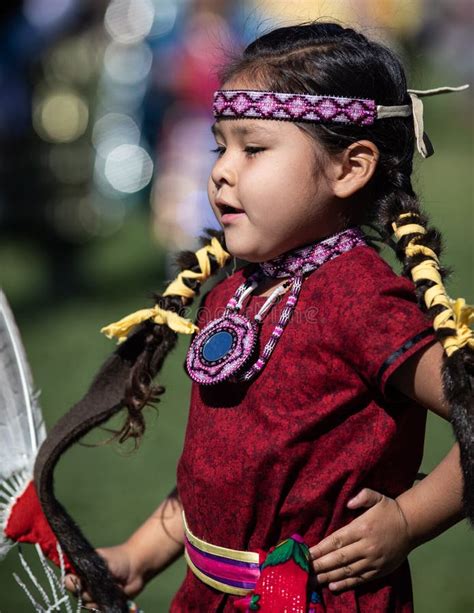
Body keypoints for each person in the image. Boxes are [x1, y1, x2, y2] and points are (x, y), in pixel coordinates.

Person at [64, 22, 473, 612]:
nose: (222, 171)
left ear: (349, 168)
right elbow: (224, 472)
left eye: (253, 149)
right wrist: (140, 553)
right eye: (220, 146)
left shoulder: (358, 300)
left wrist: (407, 521)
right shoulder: (232, 291)